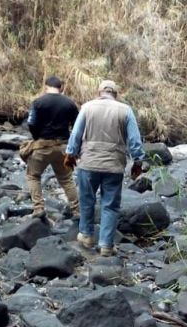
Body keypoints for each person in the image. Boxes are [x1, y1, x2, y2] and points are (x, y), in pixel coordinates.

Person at [65, 80, 146, 257]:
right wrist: (138, 161)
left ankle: (86, 235)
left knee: (87, 200)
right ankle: (106, 246)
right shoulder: (125, 110)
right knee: (110, 205)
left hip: (88, 162)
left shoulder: (87, 107)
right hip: (114, 165)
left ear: (99, 92)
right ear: (115, 94)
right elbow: (134, 140)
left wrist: (70, 154)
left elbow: (76, 134)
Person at [24, 76, 80, 219]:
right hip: (62, 147)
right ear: (60, 88)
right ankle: (76, 210)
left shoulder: (38, 102)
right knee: (67, 179)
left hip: (42, 145)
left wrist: (36, 137)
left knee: (33, 176)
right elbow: (77, 127)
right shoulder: (70, 104)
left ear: (46, 86)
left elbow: (31, 123)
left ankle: (38, 208)